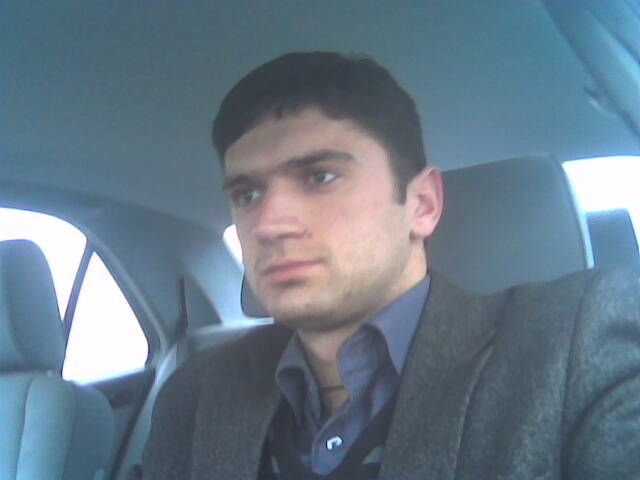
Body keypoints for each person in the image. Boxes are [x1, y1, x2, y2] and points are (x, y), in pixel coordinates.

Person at [142, 52, 640, 479]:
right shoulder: (195, 393)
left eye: (320, 176)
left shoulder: (575, 344)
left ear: (422, 204)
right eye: (248, 194)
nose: (268, 225)